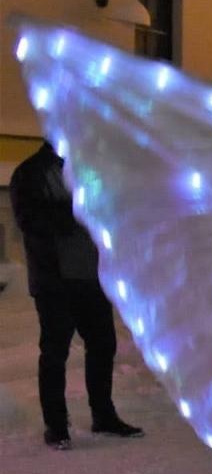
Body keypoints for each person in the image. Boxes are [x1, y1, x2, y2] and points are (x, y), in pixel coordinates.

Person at [7, 141, 142, 450]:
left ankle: (104, 417)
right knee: (55, 353)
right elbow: (29, 221)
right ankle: (56, 426)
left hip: (91, 278)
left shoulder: (87, 167)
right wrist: (77, 211)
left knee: (103, 346)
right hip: (54, 281)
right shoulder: (30, 173)